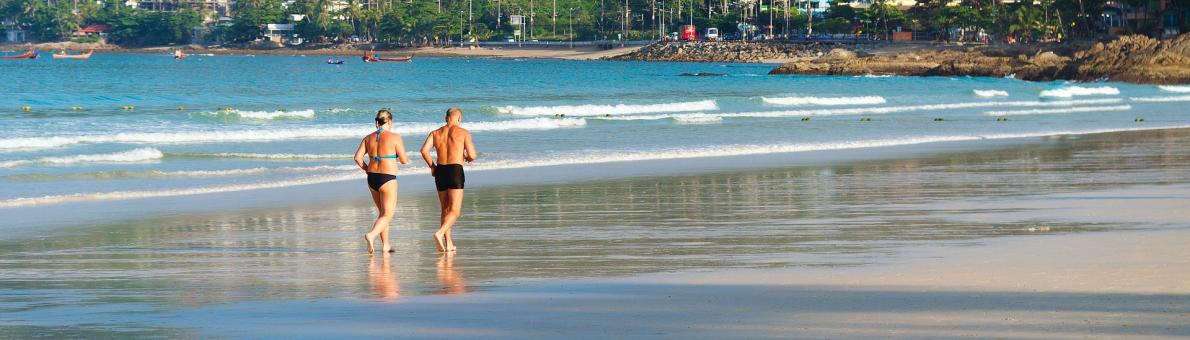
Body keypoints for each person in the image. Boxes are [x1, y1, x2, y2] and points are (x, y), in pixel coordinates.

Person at [420, 107, 477, 253]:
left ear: (446, 118)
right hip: (455, 170)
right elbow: (472, 155)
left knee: (445, 209)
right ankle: (439, 233)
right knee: (455, 210)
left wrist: (432, 167)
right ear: (459, 119)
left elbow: (424, 150)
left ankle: (449, 243)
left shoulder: (435, 133)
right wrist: (467, 158)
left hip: (440, 170)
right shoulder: (463, 132)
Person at [354, 109, 410, 254]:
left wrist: (367, 169)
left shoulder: (368, 138)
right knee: (387, 214)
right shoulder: (395, 137)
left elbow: (357, 158)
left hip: (372, 178)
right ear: (390, 121)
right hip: (387, 178)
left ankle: (386, 245)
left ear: (376, 122)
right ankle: (371, 235)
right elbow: (404, 160)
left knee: (382, 213)